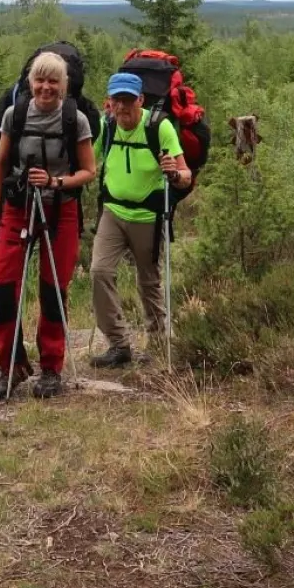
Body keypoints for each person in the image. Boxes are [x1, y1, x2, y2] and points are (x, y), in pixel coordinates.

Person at [0, 51, 97, 400]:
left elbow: (89, 171)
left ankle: (51, 369)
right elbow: (2, 163)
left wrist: (54, 183)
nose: (45, 87)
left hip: (60, 210)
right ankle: (11, 365)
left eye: (53, 81)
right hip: (18, 207)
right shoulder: (14, 114)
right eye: (40, 80)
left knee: (52, 291)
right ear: (30, 82)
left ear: (64, 86)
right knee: (1, 286)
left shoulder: (75, 120)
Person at [89, 72, 191, 369]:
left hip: (148, 216)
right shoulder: (105, 126)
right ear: (109, 101)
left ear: (140, 100)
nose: (121, 107)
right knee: (99, 272)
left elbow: (186, 177)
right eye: (116, 100)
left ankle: (159, 343)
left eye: (128, 100)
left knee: (149, 282)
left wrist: (173, 172)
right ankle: (119, 345)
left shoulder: (160, 127)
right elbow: (88, 163)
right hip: (113, 212)